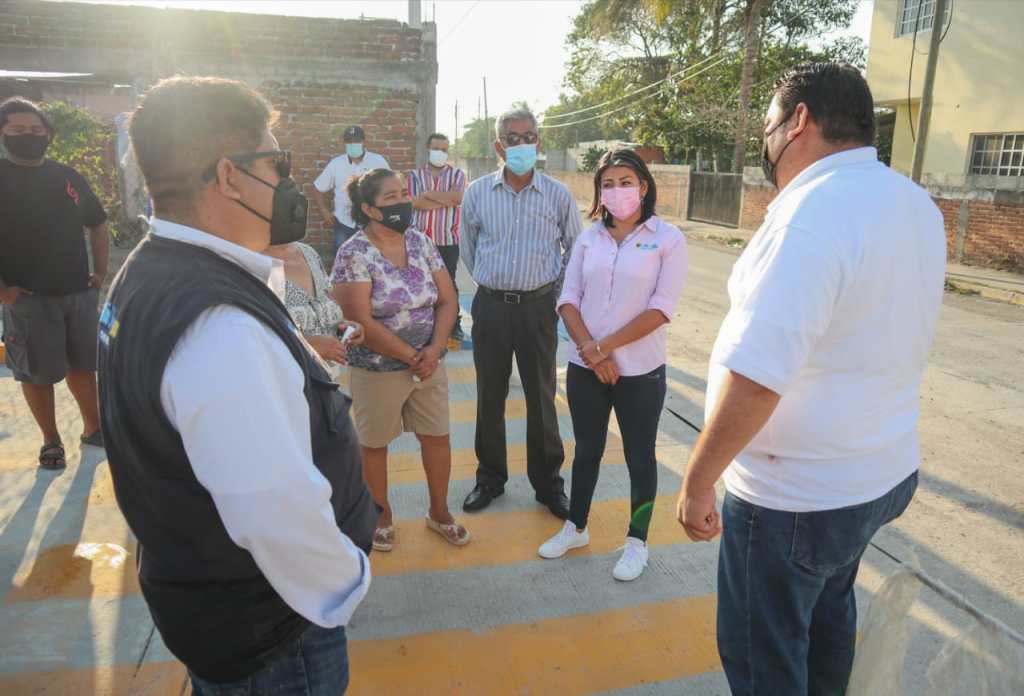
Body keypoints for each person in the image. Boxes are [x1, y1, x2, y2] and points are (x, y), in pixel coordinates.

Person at [98, 76, 378, 695]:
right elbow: (275, 510)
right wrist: (346, 582)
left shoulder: (152, 269)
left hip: (217, 611)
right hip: (274, 636)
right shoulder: (220, 325)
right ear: (229, 176)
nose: (286, 182)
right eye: (276, 164)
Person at [676, 63, 946, 695]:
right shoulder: (913, 203)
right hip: (876, 476)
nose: (766, 139)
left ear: (799, 120)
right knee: (828, 617)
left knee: (764, 656)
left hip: (796, 498)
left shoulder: (811, 213)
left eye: (769, 123)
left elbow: (757, 378)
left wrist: (698, 479)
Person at [538, 150, 687, 582]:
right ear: (598, 192)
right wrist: (592, 352)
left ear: (643, 186)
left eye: (626, 182)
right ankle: (576, 527)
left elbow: (661, 308)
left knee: (640, 456)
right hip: (585, 367)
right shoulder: (589, 239)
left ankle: (637, 541)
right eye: (608, 183)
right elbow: (568, 299)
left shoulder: (668, 239)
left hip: (640, 370)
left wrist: (604, 348)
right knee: (587, 450)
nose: (617, 191)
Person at [333, 168, 469, 552]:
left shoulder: (421, 242)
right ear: (369, 209)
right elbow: (359, 319)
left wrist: (435, 349)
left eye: (404, 194)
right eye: (390, 197)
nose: (403, 203)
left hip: (429, 364)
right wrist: (412, 355)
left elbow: (448, 299)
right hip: (377, 369)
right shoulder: (353, 253)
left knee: (437, 438)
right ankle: (381, 517)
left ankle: (440, 513)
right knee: (374, 445)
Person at [460, 107, 583, 519]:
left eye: (528, 137)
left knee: (542, 399)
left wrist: (553, 296)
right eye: (512, 139)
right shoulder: (477, 193)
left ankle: (548, 486)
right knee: (489, 396)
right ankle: (490, 478)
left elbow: (574, 249)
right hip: (492, 307)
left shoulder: (558, 195)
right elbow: (469, 248)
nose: (521, 145)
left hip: (538, 309)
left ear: (538, 142)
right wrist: (492, 283)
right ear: (499, 146)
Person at [0, 96, 109, 470]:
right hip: (28, 298)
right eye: (17, 129)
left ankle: (93, 429)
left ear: (47, 134)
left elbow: (98, 222)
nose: (28, 135)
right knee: (36, 374)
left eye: (35, 129)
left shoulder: (67, 177)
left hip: (78, 292)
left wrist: (100, 272)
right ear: (3, 133)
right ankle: (51, 440)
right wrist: (4, 291)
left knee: (84, 367)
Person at [262, 240, 364, 373]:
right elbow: (250, 339)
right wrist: (307, 345)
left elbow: (320, 308)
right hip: (289, 379)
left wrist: (345, 327)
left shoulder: (308, 252)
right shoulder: (251, 263)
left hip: (330, 377)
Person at [408, 132, 468, 342]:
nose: (440, 153)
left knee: (448, 283)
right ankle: (425, 324)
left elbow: (457, 198)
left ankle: (453, 325)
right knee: (421, 282)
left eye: (444, 149)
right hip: (420, 240)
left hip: (447, 239)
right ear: (428, 149)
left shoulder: (457, 175)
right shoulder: (414, 175)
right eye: (436, 149)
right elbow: (414, 203)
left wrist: (427, 194)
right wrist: (445, 198)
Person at [312, 125, 389, 254]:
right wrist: (324, 211)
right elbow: (317, 187)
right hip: (344, 222)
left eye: (356, 141)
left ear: (364, 142)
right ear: (344, 143)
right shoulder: (336, 164)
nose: (353, 144)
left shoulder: (378, 161)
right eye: (349, 141)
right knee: (342, 258)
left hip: (371, 222)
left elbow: (390, 186)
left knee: (372, 257)